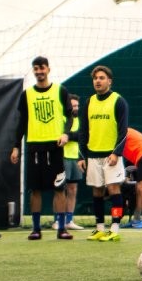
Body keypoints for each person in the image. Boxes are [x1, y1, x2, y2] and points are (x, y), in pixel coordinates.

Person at [9, 56, 72, 240]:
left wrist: (65, 133)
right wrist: (15, 147)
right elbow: (22, 122)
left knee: (59, 188)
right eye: (36, 68)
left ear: (48, 69)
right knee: (35, 189)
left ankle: (62, 229)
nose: (39, 71)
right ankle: (36, 229)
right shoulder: (26, 94)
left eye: (42, 68)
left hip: (55, 147)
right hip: (34, 147)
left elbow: (70, 116)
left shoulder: (60, 90)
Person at [76, 65, 129, 242]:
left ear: (109, 81)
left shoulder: (118, 101)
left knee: (114, 189)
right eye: (95, 78)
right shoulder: (89, 102)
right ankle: (99, 228)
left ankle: (114, 229)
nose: (97, 81)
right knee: (97, 191)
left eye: (101, 78)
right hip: (93, 155)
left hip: (111, 156)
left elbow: (123, 131)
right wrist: (81, 156)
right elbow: (83, 131)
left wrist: (116, 153)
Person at [61, 94, 85, 230]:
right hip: (62, 157)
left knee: (73, 189)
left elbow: (81, 136)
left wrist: (69, 136)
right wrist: (72, 136)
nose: (76, 108)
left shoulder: (79, 121)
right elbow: (60, 137)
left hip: (75, 159)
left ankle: (69, 221)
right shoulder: (62, 119)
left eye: (77, 106)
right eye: (73, 106)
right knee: (60, 190)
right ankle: (58, 220)